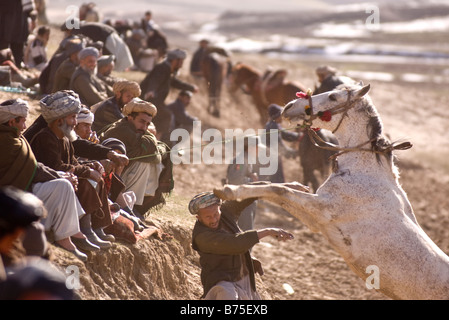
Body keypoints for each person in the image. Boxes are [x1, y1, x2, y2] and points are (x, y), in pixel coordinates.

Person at [0, 98, 90, 262]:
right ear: (12, 121)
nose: (26, 126)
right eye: (23, 122)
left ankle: (70, 234)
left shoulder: (16, 138)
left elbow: (34, 165)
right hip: (10, 198)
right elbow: (34, 170)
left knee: (63, 184)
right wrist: (61, 176)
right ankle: (64, 239)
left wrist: (62, 175)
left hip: (23, 189)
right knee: (62, 185)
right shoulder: (6, 142)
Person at [29, 91, 113, 251]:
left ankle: (94, 228)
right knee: (85, 183)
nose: (75, 122)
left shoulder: (65, 138)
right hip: (46, 184)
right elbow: (56, 166)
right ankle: (82, 232)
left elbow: (72, 162)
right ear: (60, 120)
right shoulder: (45, 137)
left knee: (96, 178)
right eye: (73, 118)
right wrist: (86, 172)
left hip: (61, 178)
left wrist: (91, 165)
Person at [189, 191, 294, 300]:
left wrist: (282, 188)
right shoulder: (202, 236)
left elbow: (248, 194)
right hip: (221, 284)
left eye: (216, 214)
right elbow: (235, 243)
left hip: (244, 280)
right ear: (198, 218)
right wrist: (268, 231)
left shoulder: (226, 213)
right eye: (208, 217)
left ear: (220, 209)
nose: (214, 219)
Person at [99, 98, 174, 216]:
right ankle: (130, 207)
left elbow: (154, 154)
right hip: (108, 177)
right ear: (130, 117)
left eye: (147, 124)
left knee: (155, 163)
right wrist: (156, 145)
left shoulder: (138, 132)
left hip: (122, 175)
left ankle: (133, 206)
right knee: (143, 163)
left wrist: (156, 148)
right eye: (141, 121)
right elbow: (153, 152)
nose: (144, 127)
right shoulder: (121, 130)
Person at [140, 48, 198, 144]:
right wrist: (151, 90)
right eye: (181, 61)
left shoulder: (168, 70)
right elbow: (154, 80)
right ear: (175, 60)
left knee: (166, 115)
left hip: (155, 102)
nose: (182, 64)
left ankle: (156, 143)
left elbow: (175, 83)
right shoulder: (162, 68)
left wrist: (191, 88)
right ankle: (156, 143)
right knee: (166, 115)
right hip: (148, 100)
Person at [224, 136, 266, 231]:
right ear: (250, 147)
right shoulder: (241, 160)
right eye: (257, 148)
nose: (259, 150)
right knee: (245, 232)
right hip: (242, 202)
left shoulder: (246, 159)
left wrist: (250, 176)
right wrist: (252, 181)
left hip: (245, 201)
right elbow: (235, 180)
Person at [262, 104, 299, 183]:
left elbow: (285, 135)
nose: (282, 117)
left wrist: (299, 136)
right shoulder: (273, 126)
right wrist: (293, 153)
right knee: (277, 182)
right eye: (280, 115)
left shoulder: (273, 124)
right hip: (271, 159)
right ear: (277, 116)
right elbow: (279, 146)